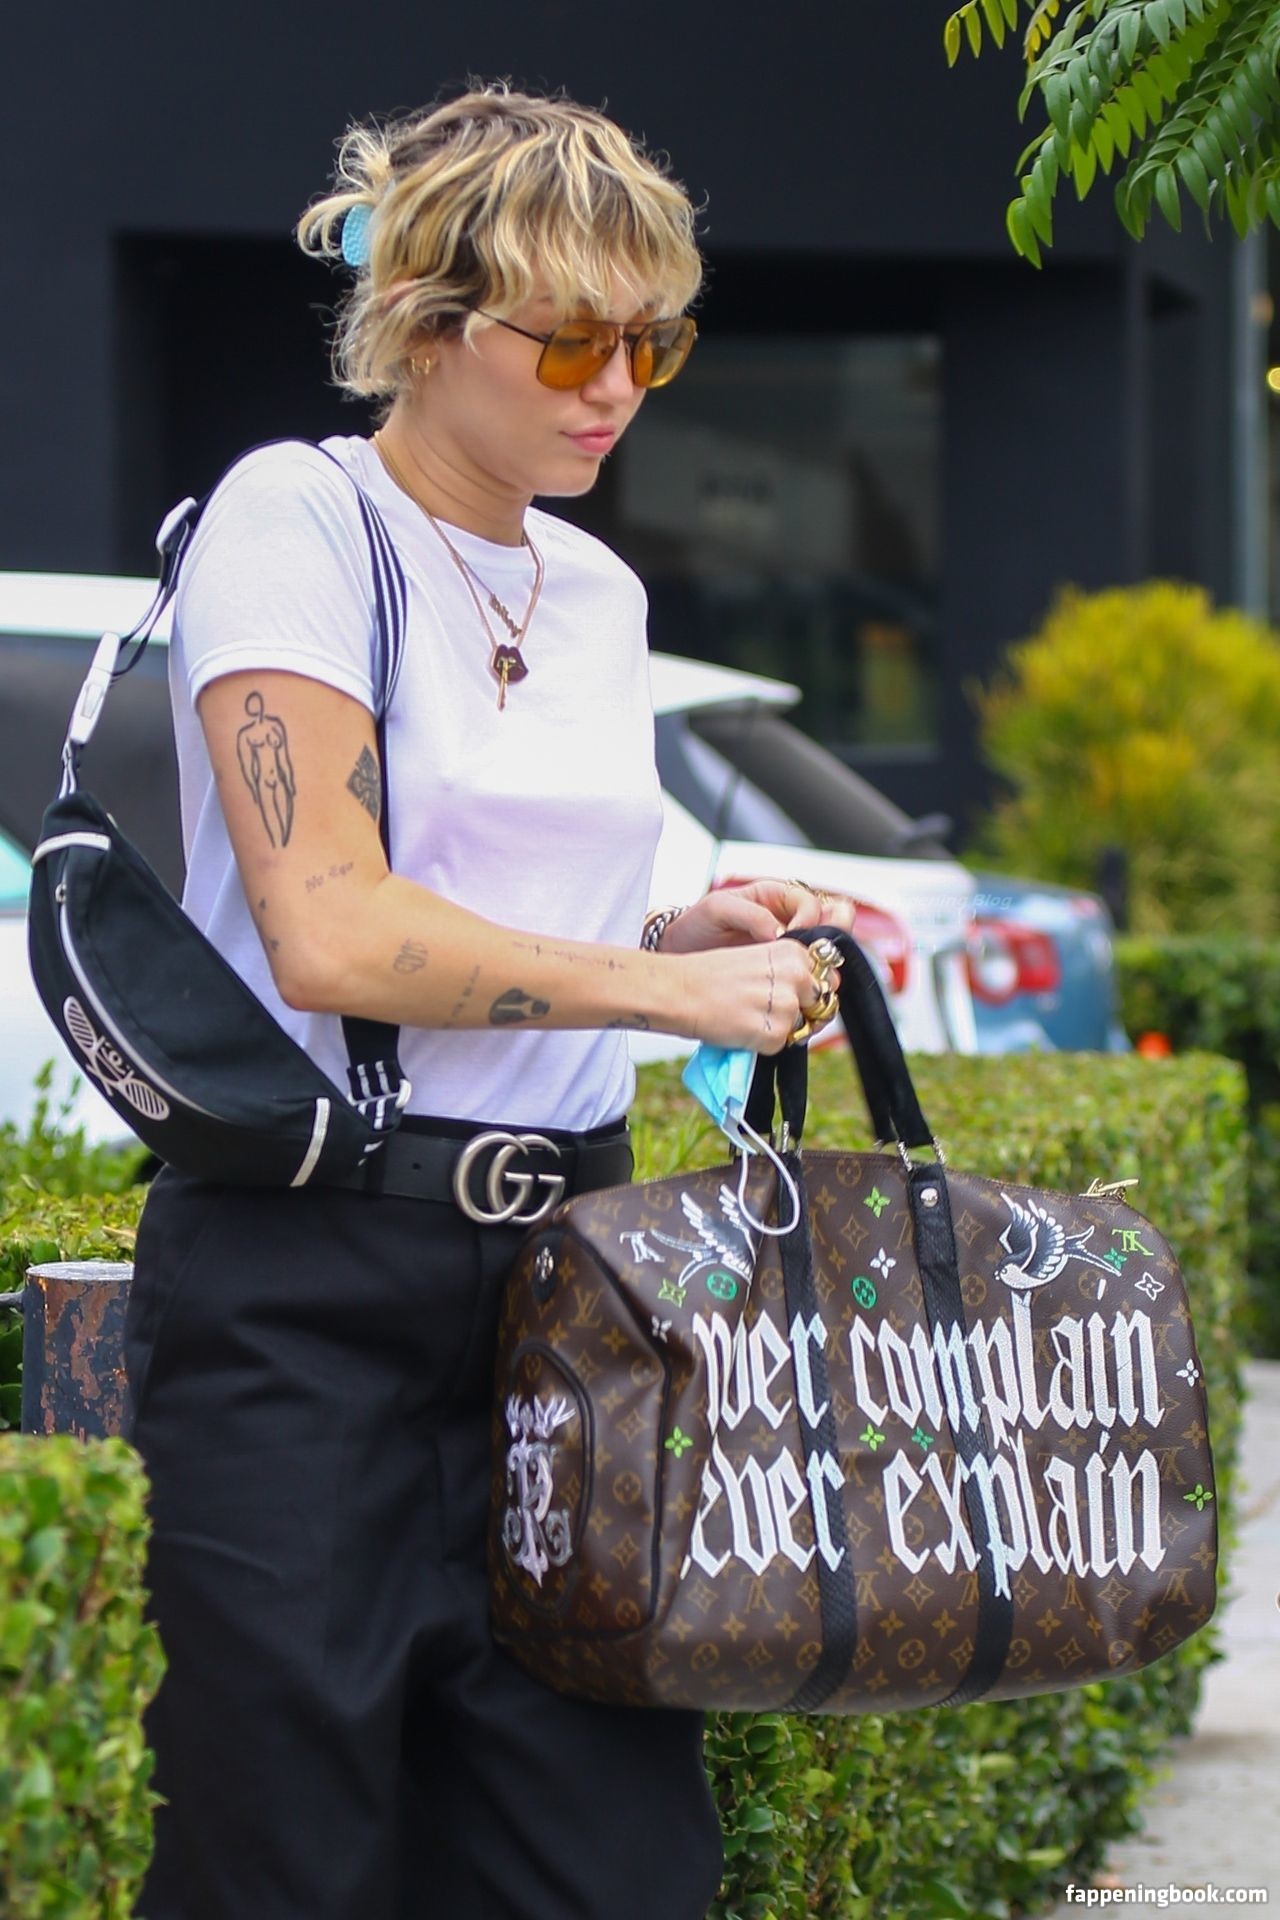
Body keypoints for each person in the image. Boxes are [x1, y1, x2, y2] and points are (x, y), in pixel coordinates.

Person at [123, 83, 850, 1920]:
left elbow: (523, 916)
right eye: (575, 341)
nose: (618, 389)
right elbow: (332, 933)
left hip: (569, 1292)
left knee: (602, 1864)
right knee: (282, 1854)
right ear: (428, 321)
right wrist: (664, 991)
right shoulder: (301, 520)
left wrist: (687, 933)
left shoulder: (595, 590)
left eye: (657, 344)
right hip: (312, 1279)